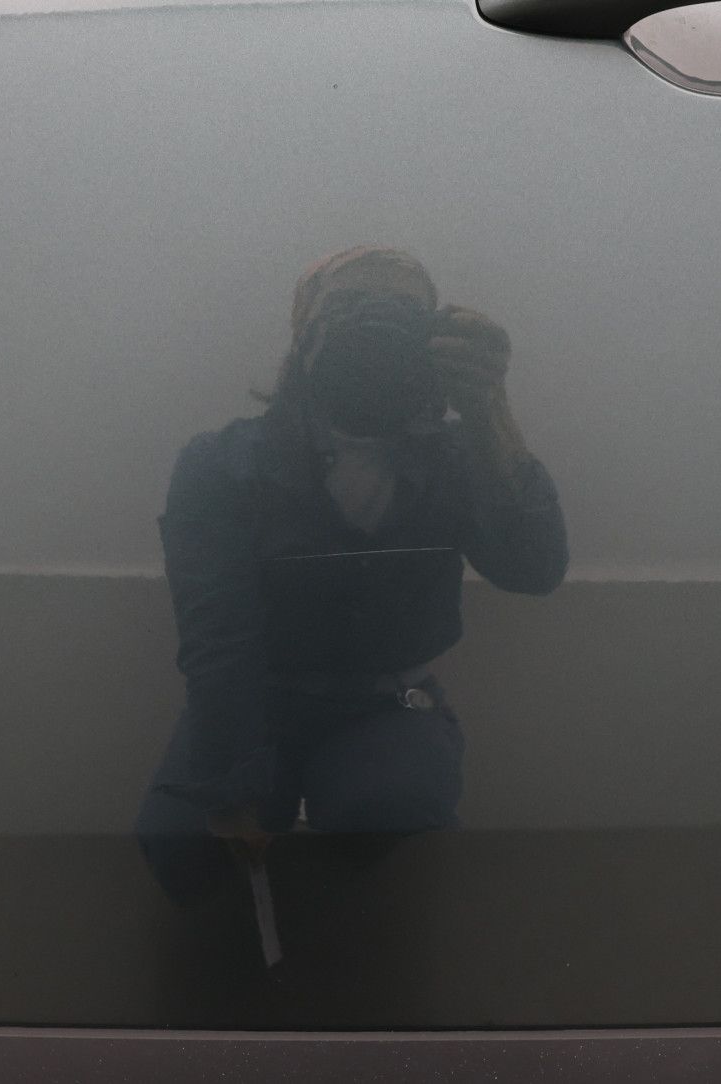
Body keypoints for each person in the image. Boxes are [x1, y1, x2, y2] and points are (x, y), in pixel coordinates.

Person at [134, 246, 567, 910]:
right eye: (350, 304)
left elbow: (534, 568)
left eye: (402, 311)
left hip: (386, 703)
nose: (375, 323)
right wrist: (228, 790)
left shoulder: (458, 459)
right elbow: (218, 634)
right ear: (304, 332)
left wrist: (489, 414)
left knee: (392, 812)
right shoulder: (222, 464)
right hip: (256, 699)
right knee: (183, 844)